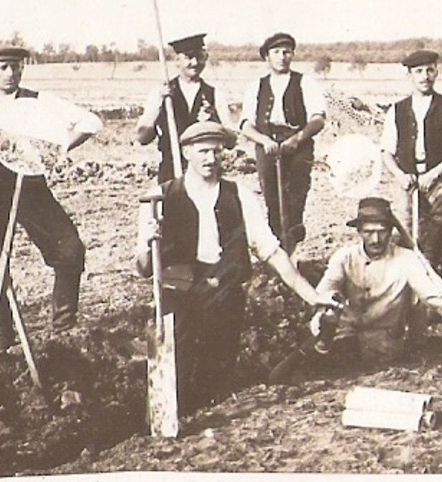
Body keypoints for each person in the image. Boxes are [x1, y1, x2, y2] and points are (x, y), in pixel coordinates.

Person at [134, 122, 335, 411]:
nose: (210, 159)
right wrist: (151, 240)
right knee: (175, 374)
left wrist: (312, 295)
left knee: (216, 377)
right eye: (202, 151)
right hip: (178, 296)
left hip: (224, 295)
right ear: (186, 152)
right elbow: (142, 268)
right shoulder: (160, 198)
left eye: (216, 152)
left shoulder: (240, 196)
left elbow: (273, 252)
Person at [0, 40, 102, 335]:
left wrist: (56, 147)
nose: (10, 73)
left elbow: (90, 122)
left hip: (31, 190)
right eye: (3, 67)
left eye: (16, 67)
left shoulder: (37, 101)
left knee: (70, 249)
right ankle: (2, 333)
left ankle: (64, 328)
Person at [270, 197, 442, 382]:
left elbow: (440, 294)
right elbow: (326, 287)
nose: (375, 239)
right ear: (359, 232)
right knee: (299, 369)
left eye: (381, 232)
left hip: (383, 348)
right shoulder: (344, 257)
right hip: (341, 342)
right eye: (368, 232)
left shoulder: (406, 260)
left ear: (391, 231)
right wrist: (321, 316)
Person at [380, 48, 442, 271]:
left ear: (436, 72)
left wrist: (433, 174)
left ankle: (429, 265)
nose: (424, 76)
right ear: (409, 75)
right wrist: (400, 176)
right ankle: (406, 277)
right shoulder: (396, 110)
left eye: (429, 70)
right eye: (419, 71)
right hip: (409, 181)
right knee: (406, 229)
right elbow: (386, 153)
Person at [238, 32, 328, 254]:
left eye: (287, 52)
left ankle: (292, 249)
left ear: (292, 55)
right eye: (276, 52)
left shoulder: (305, 82)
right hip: (266, 143)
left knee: (296, 195)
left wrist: (297, 139)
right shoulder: (256, 86)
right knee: (272, 197)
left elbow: (318, 118)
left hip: (298, 144)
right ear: (267, 57)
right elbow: (245, 124)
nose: (282, 57)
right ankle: (276, 252)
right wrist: (264, 140)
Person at [134, 32, 235, 183]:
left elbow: (231, 141)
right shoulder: (160, 93)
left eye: (199, 56)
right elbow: (142, 138)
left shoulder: (215, 94)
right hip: (171, 171)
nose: (195, 62)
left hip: (207, 173)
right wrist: (159, 104)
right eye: (188, 57)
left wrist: (215, 125)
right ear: (177, 61)